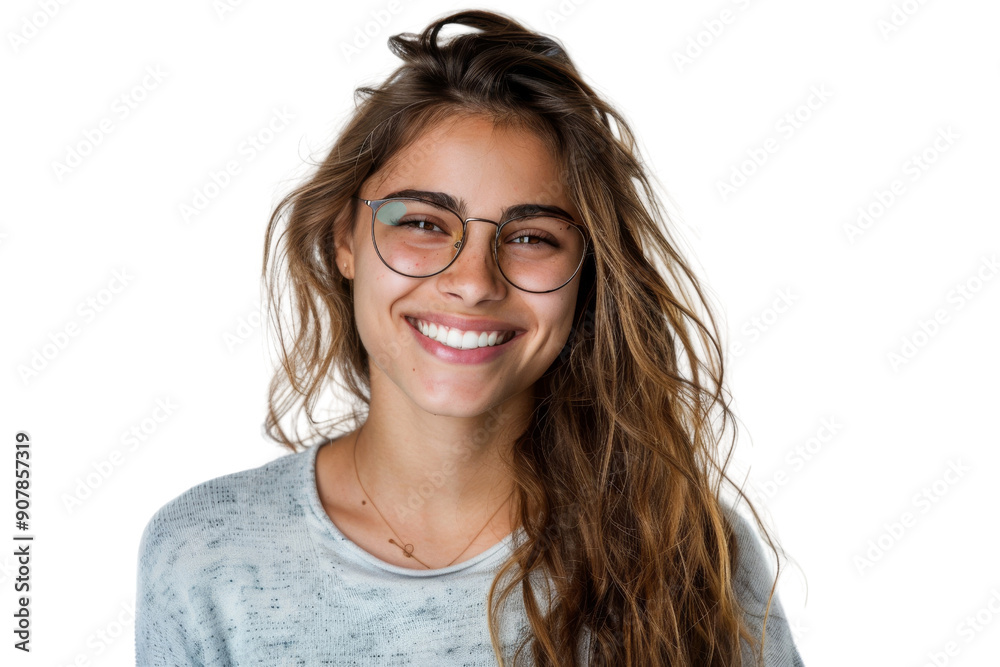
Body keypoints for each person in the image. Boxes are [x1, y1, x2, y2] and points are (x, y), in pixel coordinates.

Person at [135, 9, 805, 666]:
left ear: (587, 273)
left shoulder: (686, 548)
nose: (474, 280)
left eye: (531, 237)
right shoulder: (205, 557)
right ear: (345, 239)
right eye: (424, 223)